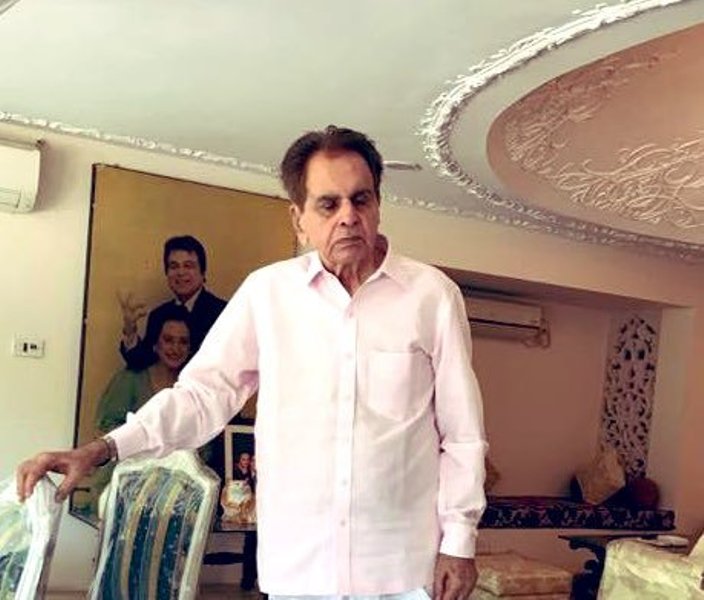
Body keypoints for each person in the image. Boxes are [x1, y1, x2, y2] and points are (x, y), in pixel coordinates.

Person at [17, 126, 487, 600]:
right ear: (299, 219)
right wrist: (100, 450)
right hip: (299, 570)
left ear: (378, 205)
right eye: (328, 204)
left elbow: (462, 433)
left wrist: (460, 542)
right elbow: (202, 396)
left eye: (360, 199)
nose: (348, 216)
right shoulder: (267, 294)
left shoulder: (432, 295)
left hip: (403, 568)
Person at [76, 306, 192, 521]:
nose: (176, 348)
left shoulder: (192, 388)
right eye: (168, 340)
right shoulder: (131, 378)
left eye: (183, 341)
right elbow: (105, 428)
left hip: (174, 495)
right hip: (121, 487)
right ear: (155, 344)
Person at [119, 234, 227, 371]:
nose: (181, 272)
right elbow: (139, 362)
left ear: (203, 272)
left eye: (188, 266)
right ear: (167, 273)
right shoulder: (158, 315)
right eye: (174, 266)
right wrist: (130, 331)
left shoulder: (224, 313)